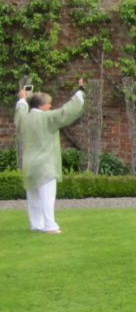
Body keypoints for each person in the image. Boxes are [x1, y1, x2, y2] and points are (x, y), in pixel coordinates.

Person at [14, 80, 85, 234]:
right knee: (47, 197)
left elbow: (20, 110)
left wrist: (22, 98)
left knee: (33, 197)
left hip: (29, 163)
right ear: (40, 105)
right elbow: (66, 111)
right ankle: (50, 225)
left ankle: (36, 224)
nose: (50, 106)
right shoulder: (47, 118)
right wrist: (80, 91)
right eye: (48, 104)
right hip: (44, 164)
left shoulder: (24, 118)